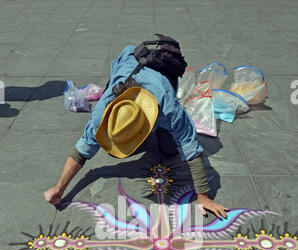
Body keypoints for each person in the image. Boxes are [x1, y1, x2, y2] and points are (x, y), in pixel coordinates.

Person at [44, 41, 228, 219]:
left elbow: (189, 147)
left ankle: (159, 133)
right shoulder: (102, 113)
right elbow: (81, 151)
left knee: (170, 149)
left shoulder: (169, 110)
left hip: (162, 79)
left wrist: (203, 196)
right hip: (129, 59)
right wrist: (59, 188)